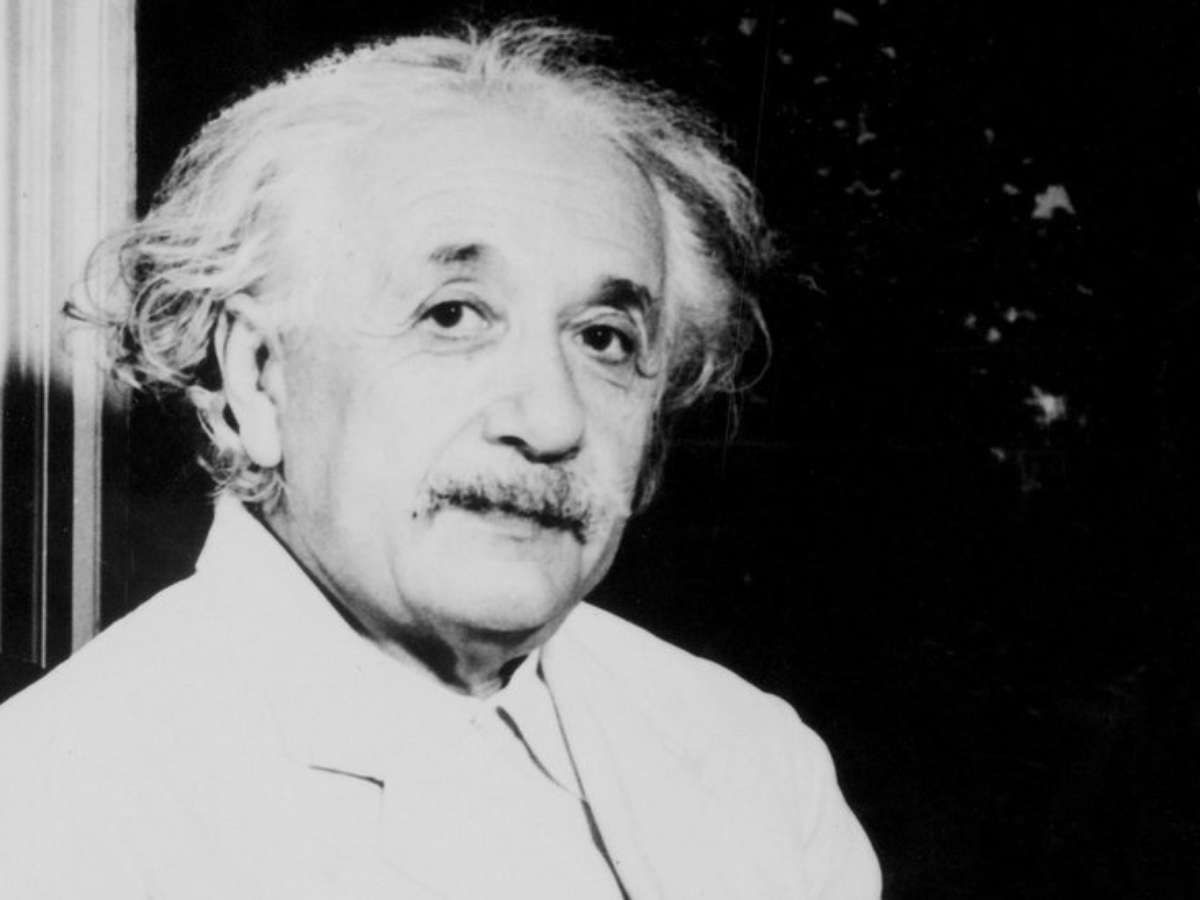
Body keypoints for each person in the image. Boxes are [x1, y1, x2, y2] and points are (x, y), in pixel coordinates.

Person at [0, 23, 880, 899]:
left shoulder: (758, 767)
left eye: (604, 338)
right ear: (259, 377)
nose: (552, 420)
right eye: (453, 316)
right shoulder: (61, 810)